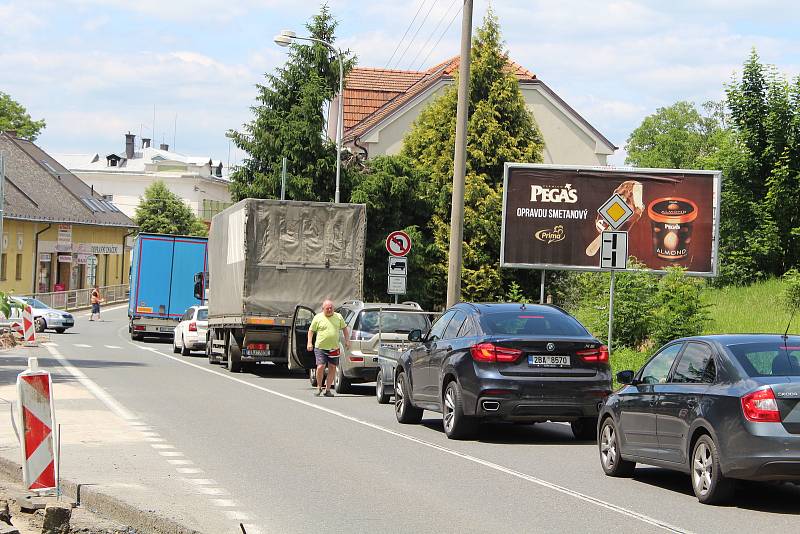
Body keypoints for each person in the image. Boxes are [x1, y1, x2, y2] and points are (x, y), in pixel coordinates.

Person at [307, 299, 350, 397]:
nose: (330, 310)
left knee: (332, 368)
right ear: (323, 309)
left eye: (331, 308)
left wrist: (347, 341)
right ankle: (319, 387)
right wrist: (309, 343)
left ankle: (328, 389)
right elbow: (311, 331)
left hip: (334, 348)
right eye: (327, 308)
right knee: (320, 366)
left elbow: (344, 329)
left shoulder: (338, 317)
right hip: (320, 347)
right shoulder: (318, 317)